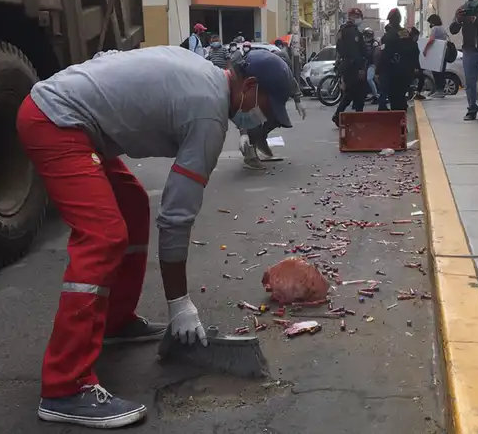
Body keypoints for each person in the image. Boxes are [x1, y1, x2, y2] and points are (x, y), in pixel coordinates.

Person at [16, 46, 294, 428]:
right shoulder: (208, 113)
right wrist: (179, 304)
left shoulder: (203, 73)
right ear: (249, 86)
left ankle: (115, 322)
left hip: (68, 115)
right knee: (102, 236)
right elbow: (176, 216)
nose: (264, 119)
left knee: (132, 205)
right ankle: (65, 386)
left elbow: (112, 57)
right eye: (266, 107)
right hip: (56, 121)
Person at [232, 45, 306, 169]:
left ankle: (260, 139)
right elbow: (242, 105)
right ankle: (250, 154)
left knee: (276, 118)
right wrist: (243, 132)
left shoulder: (283, 72)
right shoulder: (248, 76)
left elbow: (291, 81)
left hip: (268, 82)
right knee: (253, 118)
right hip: (251, 83)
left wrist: (298, 100)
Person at [376, 8, 419, 111]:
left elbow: (384, 56)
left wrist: (378, 71)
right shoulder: (405, 33)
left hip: (392, 73)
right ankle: (403, 117)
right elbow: (415, 51)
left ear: (390, 21)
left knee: (394, 101)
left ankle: (398, 118)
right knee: (401, 98)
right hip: (406, 72)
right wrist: (415, 67)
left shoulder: (388, 36)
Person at [332, 7, 368, 126]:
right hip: (353, 67)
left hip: (346, 66)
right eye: (357, 17)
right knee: (358, 93)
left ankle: (342, 116)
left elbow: (339, 49)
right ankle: (345, 116)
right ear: (351, 17)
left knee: (352, 93)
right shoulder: (353, 32)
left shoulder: (342, 30)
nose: (358, 19)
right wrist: (361, 68)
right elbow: (355, 52)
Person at [422, 14, 450, 98]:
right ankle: (441, 90)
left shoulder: (435, 29)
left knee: (436, 72)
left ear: (433, 21)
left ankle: (439, 91)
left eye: (430, 22)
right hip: (443, 53)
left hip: (437, 54)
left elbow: (431, 39)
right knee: (442, 72)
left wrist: (425, 49)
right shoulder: (442, 29)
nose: (430, 24)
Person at [362, 28, 380, 104]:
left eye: (367, 35)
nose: (365, 37)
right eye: (365, 35)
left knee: (369, 79)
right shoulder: (363, 43)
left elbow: (375, 55)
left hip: (372, 64)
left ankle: (376, 96)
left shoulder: (375, 43)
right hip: (365, 64)